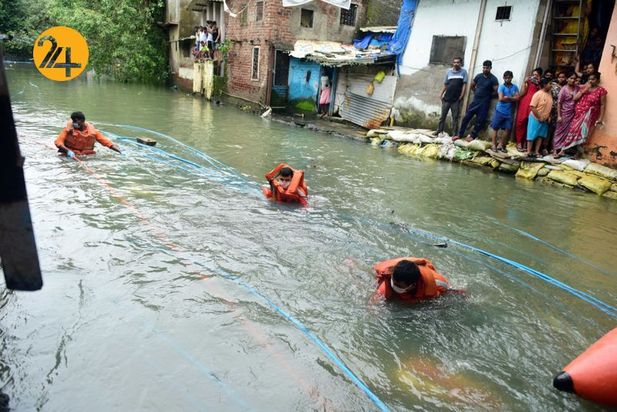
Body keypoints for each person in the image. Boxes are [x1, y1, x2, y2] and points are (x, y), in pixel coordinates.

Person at [557, 72, 607, 158]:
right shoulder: (584, 87)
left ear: (597, 80)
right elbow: (575, 98)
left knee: (584, 133)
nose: (591, 81)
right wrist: (584, 90)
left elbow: (602, 105)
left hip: (590, 116)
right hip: (579, 114)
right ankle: (563, 150)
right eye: (589, 79)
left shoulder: (601, 91)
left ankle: (578, 154)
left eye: (593, 79)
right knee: (572, 130)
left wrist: (601, 118)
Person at [373, 257, 455, 303]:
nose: (394, 286)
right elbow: (373, 304)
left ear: (412, 285)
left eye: (399, 286)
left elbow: (451, 292)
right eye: (394, 282)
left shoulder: (438, 284)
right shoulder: (388, 276)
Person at [454, 60, 499, 142]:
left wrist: (488, 96)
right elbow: (472, 85)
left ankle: (472, 136)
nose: (485, 69)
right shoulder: (479, 76)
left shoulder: (493, 79)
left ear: (490, 68)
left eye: (487, 68)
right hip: (475, 101)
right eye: (484, 68)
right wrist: (476, 91)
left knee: (480, 121)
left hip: (484, 103)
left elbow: (496, 91)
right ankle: (459, 134)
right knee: (466, 118)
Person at [55, 112, 120, 157]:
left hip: (87, 155)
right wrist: (68, 151)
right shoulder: (68, 130)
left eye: (76, 121)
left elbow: (107, 143)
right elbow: (58, 142)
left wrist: (119, 151)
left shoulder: (93, 132)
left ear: (83, 120)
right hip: (70, 155)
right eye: (73, 121)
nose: (74, 123)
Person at [433, 57, 468, 137]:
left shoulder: (463, 72)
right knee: (442, 116)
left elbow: (464, 85)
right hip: (446, 99)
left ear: (460, 63)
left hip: (456, 99)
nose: (456, 64)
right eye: (454, 62)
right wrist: (441, 94)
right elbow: (446, 84)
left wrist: (461, 95)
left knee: (455, 117)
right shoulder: (449, 72)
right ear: (453, 63)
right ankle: (439, 130)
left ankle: (454, 133)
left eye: (458, 62)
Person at [489, 71, 519, 152]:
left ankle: (501, 145)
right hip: (500, 110)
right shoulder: (501, 87)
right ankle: (493, 145)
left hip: (509, 112)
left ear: (511, 78)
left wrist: (508, 98)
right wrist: (511, 98)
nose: (507, 79)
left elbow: (517, 98)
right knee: (495, 128)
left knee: (507, 129)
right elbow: (501, 98)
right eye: (506, 77)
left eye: (509, 77)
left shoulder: (515, 87)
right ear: (503, 78)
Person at [514, 67, 543, 151]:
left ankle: (526, 144)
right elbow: (522, 93)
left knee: (530, 124)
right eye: (533, 75)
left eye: (536, 75)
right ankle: (519, 143)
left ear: (540, 76)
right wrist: (525, 83)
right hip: (525, 104)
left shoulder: (541, 84)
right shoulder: (528, 82)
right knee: (521, 122)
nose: (534, 77)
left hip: (534, 106)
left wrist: (538, 84)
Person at [553, 73, 580, 155]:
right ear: (567, 79)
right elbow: (559, 103)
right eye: (571, 78)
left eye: (575, 79)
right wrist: (559, 116)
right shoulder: (564, 89)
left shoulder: (577, 88)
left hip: (573, 114)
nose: (573, 80)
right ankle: (555, 150)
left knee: (568, 132)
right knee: (559, 132)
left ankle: (562, 150)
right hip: (564, 113)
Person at [526, 78, 553, 158]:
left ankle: (537, 151)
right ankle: (528, 151)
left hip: (544, 119)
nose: (551, 85)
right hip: (535, 117)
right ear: (544, 85)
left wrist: (549, 116)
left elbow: (550, 107)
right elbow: (532, 107)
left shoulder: (549, 94)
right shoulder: (538, 94)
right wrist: (539, 117)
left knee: (540, 136)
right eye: (550, 84)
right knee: (531, 135)